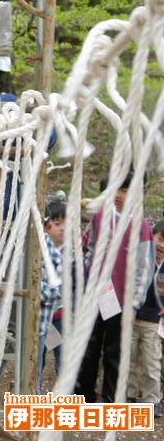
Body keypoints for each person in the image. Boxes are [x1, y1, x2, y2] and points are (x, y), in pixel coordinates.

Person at [75, 170, 155, 403]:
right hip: (96, 295)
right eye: (116, 188)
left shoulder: (141, 227)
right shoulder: (100, 217)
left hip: (120, 300)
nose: (119, 195)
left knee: (114, 351)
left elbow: (144, 270)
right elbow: (88, 249)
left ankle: (111, 399)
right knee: (89, 346)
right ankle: (84, 395)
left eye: (125, 189)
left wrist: (133, 305)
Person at [127, 219, 164, 418]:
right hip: (135, 317)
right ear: (152, 237)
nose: (162, 245)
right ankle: (130, 394)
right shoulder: (143, 260)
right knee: (131, 358)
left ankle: (152, 399)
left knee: (151, 362)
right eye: (159, 239)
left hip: (154, 323)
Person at [37, 200, 65, 392]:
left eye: (65, 223)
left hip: (60, 317)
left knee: (63, 359)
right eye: (55, 223)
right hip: (44, 316)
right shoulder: (40, 249)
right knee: (38, 359)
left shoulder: (71, 253)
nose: (60, 228)